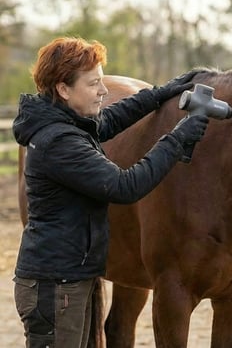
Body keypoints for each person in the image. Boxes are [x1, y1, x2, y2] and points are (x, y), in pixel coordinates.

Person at [12, 36, 209, 348]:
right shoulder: (59, 142)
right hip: (56, 287)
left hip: (68, 276)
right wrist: (177, 139)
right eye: (93, 84)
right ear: (64, 89)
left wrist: (159, 94)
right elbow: (124, 186)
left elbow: (111, 119)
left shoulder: (65, 122)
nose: (103, 91)